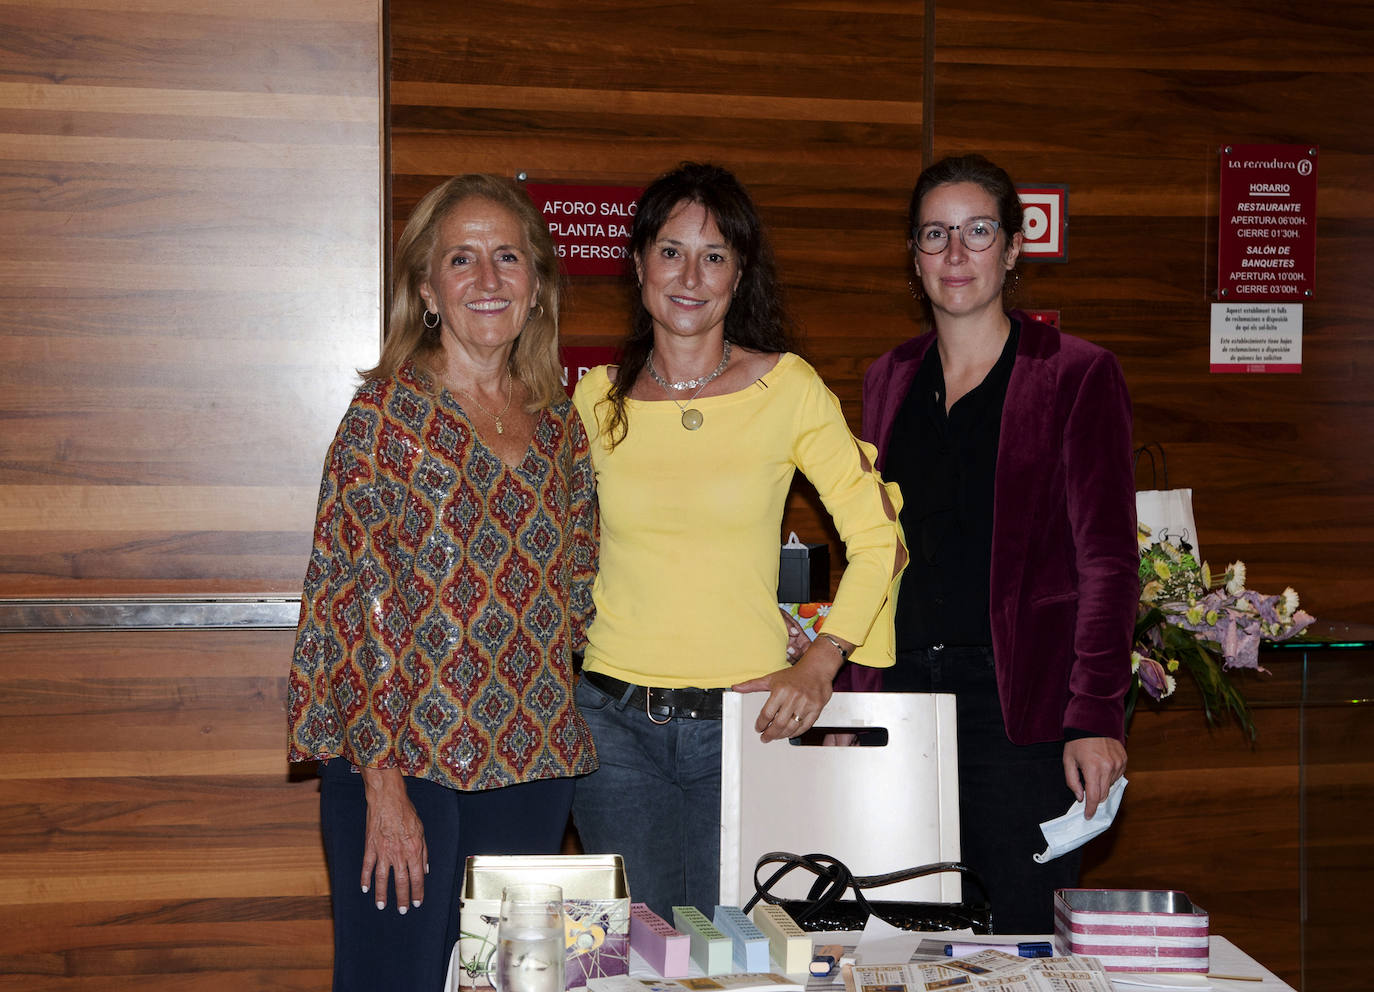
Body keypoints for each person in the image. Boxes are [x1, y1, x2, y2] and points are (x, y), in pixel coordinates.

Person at [286, 174, 599, 991]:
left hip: (532, 762)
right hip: (404, 767)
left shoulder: (562, 426)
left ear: (537, 287)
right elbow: (344, 609)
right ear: (427, 288)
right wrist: (382, 792)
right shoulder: (379, 420)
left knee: (515, 986)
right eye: (462, 259)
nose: (488, 280)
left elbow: (579, 591)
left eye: (508, 257)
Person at [570, 162, 905, 920]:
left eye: (714, 255)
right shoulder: (595, 400)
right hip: (610, 731)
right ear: (638, 264)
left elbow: (878, 537)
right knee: (641, 957)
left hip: (747, 729)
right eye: (671, 251)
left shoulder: (786, 388)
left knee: (744, 958)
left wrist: (821, 663)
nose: (691, 275)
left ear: (739, 272)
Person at [856, 154, 1136, 933]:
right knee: (897, 947)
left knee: (1019, 948)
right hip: (902, 706)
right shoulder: (888, 378)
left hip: (1023, 716)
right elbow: (875, 554)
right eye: (935, 235)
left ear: (1014, 248)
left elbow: (1110, 565)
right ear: (913, 257)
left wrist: (1096, 716)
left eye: (977, 232)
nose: (955, 254)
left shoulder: (1078, 374)